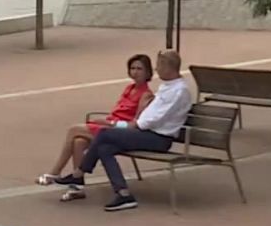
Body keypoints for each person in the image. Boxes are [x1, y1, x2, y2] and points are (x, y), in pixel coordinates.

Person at [48, 49, 191, 211]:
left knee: (103, 133)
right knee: (104, 147)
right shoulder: (167, 87)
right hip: (144, 132)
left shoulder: (178, 91)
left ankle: (78, 174)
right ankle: (123, 194)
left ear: (168, 67)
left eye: (159, 65)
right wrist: (122, 125)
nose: (157, 69)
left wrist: (121, 125)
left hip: (158, 138)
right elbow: (141, 120)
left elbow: (150, 120)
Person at [37, 54, 154, 193]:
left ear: (147, 72)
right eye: (132, 68)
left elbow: (136, 121)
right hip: (109, 124)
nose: (135, 72)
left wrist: (110, 123)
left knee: (73, 130)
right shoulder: (129, 88)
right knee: (78, 141)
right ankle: (77, 186)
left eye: (139, 69)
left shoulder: (146, 94)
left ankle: (55, 172)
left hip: (118, 131)